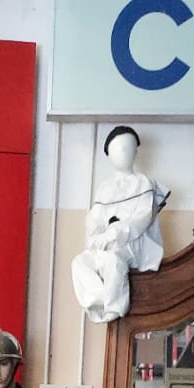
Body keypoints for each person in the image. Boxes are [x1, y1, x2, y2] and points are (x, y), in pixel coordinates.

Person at [71, 126, 168, 325]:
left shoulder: (144, 183)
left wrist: (116, 232)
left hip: (132, 244)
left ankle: (116, 306)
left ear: (135, 151)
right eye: (118, 148)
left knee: (113, 259)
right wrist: (98, 238)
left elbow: (141, 219)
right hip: (106, 243)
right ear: (109, 154)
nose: (123, 152)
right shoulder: (105, 188)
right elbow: (95, 221)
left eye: (128, 147)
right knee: (80, 262)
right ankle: (101, 300)